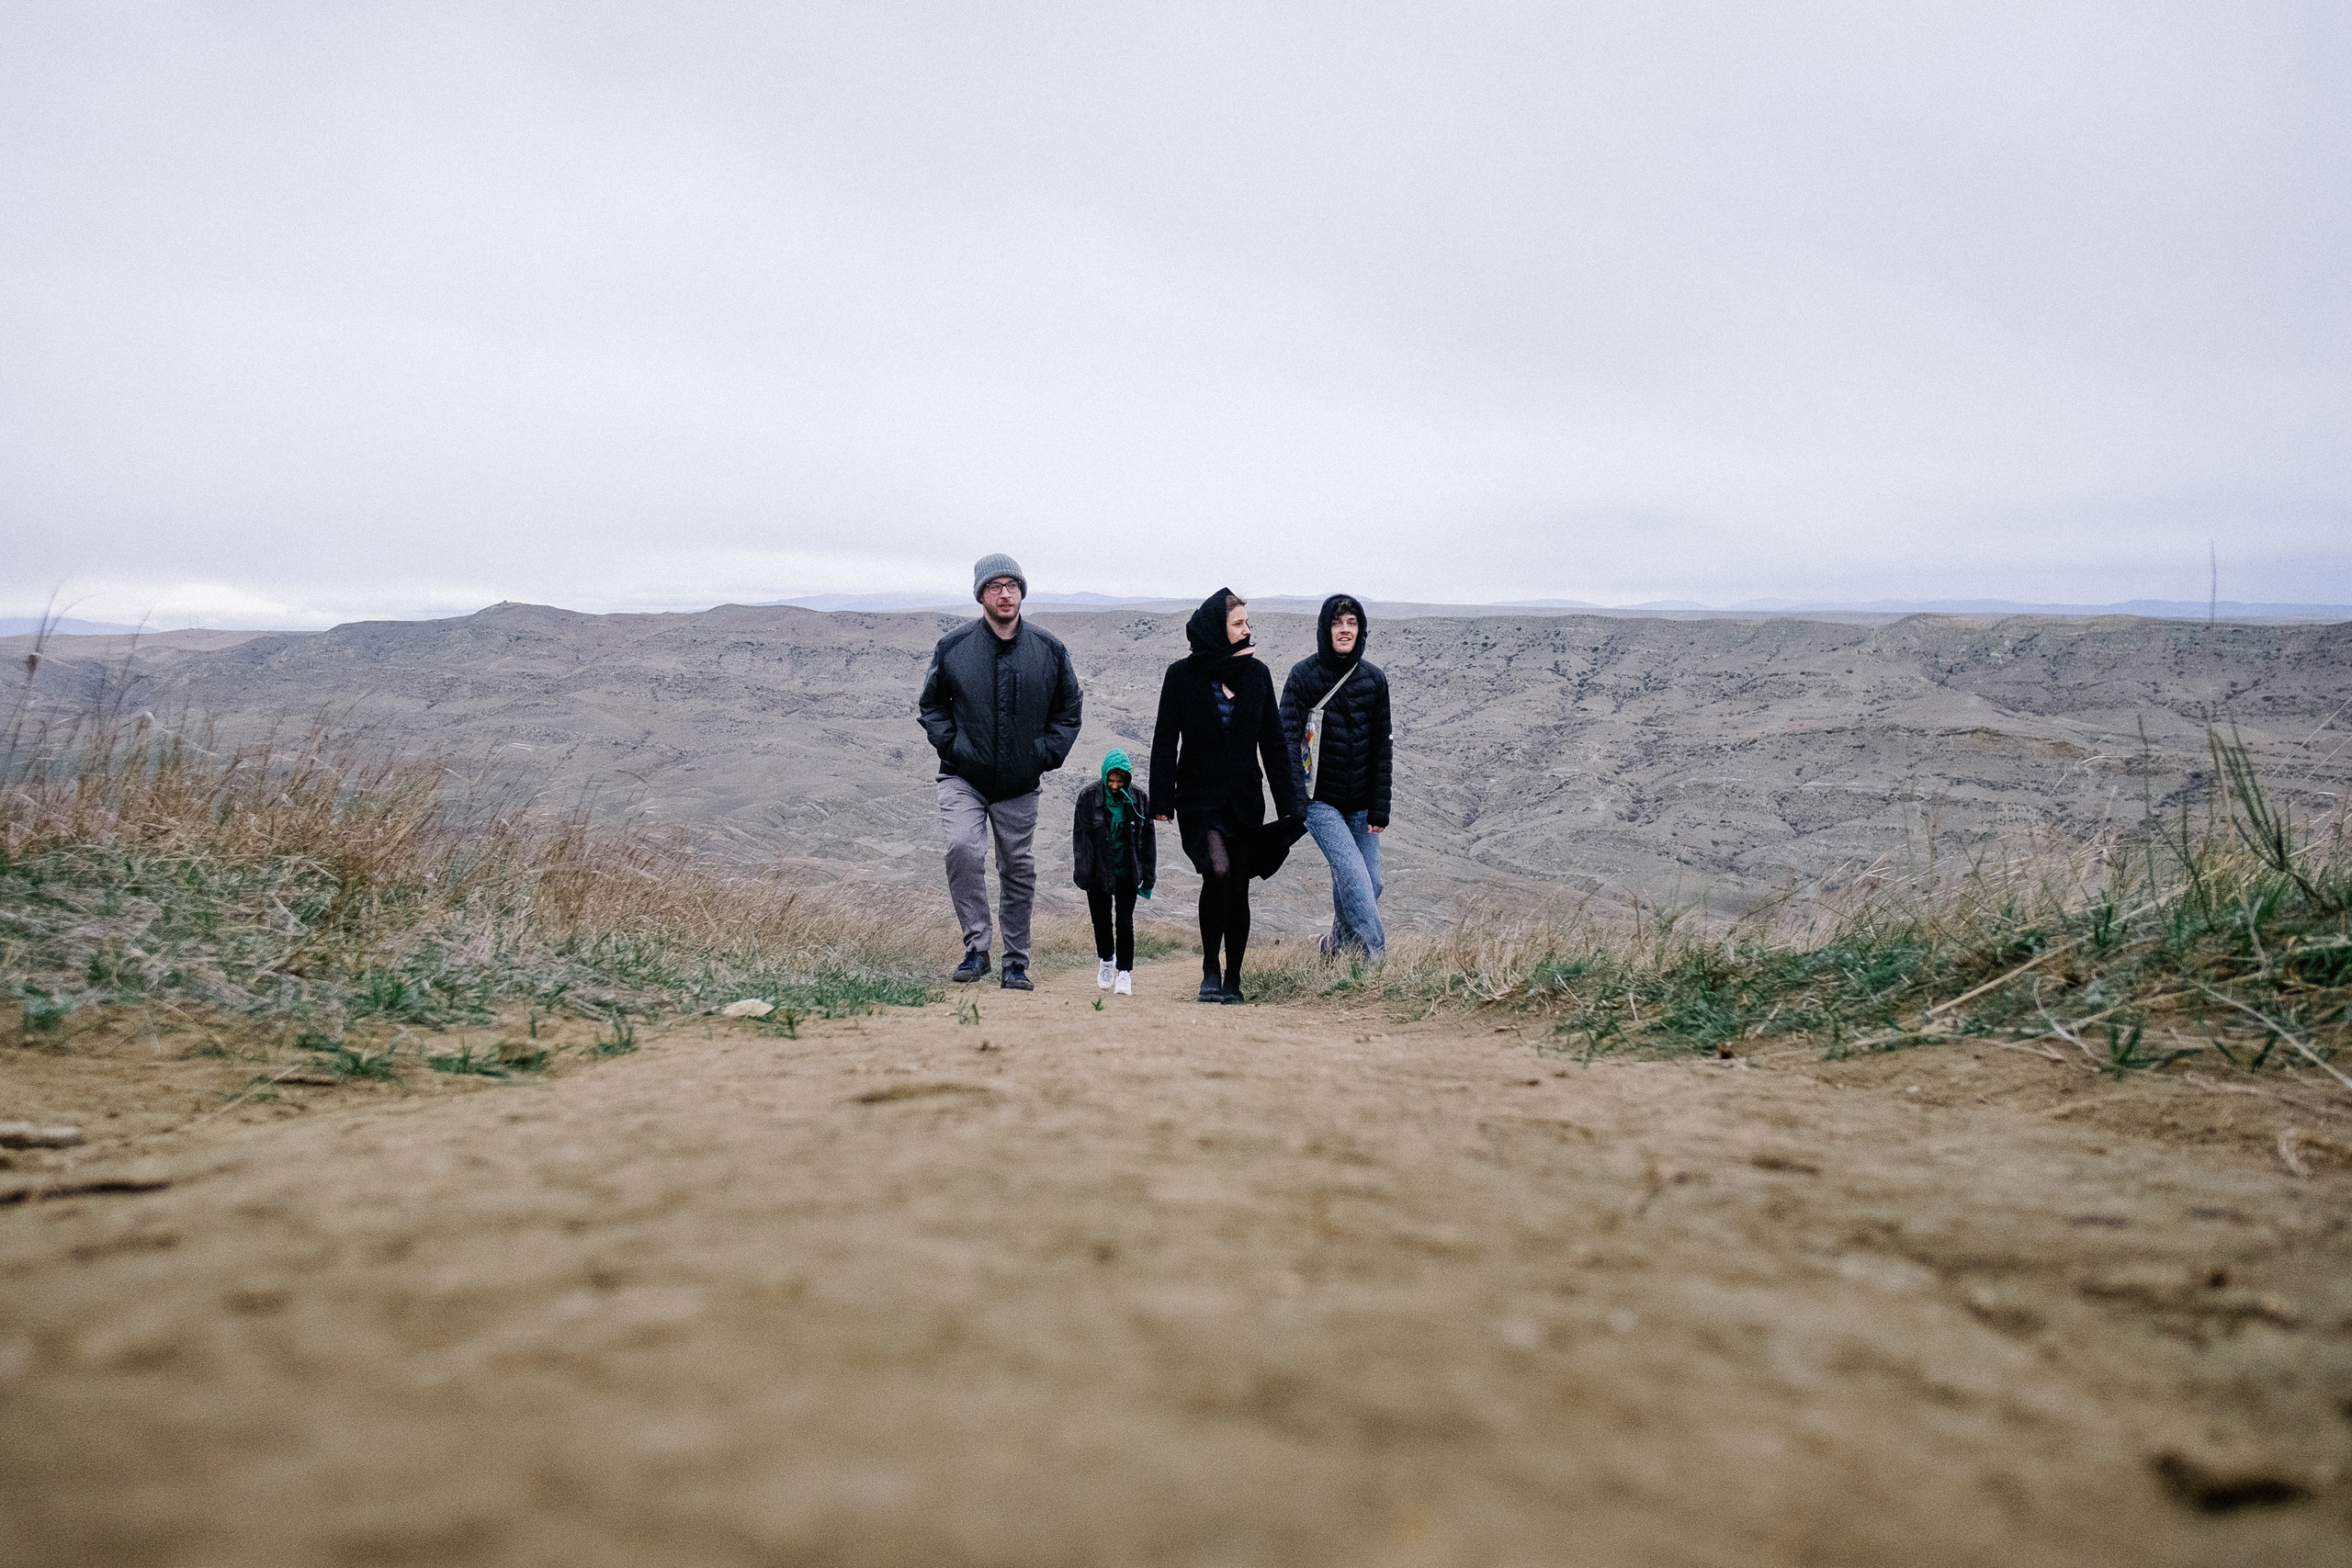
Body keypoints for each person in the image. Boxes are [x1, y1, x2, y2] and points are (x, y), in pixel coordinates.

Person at [917, 553, 1084, 990]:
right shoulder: (953, 648)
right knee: (962, 850)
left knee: (1017, 869)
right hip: (962, 776)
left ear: (1022, 592)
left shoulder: (1048, 650)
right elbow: (931, 706)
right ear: (981, 595)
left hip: (1019, 783)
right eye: (996, 586)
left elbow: (1069, 711)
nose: (1005, 593)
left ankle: (1016, 962)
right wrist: (954, 746)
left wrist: (1043, 754)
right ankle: (976, 948)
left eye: (1013, 585)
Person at [1148, 589, 1305, 1004]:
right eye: (1238, 624)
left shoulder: (1258, 675)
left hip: (1244, 802)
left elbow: (1273, 743)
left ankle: (1233, 978)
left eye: (1247, 623)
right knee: (1216, 870)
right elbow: (1166, 741)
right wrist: (1161, 800)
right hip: (1199, 801)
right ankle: (1209, 970)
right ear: (1218, 629)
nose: (1246, 630)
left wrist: (1291, 806)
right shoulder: (1180, 676)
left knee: (1238, 886)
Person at [1279, 593, 1394, 963]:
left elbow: (1382, 747)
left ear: (1360, 630)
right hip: (1320, 800)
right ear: (1325, 629)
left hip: (1361, 804)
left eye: (1352, 623)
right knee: (1355, 879)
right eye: (1337, 623)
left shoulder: (1375, 680)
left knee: (1371, 883)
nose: (1345, 630)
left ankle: (1333, 946)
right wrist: (1298, 800)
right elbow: (1286, 740)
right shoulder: (1303, 676)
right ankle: (1376, 962)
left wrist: (1379, 808)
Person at [1071, 748, 1156, 996]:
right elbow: (1080, 838)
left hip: (1127, 871)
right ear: (1104, 776)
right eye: (1111, 780)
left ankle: (1125, 973)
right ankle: (1106, 961)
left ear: (1127, 780)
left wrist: (1148, 877)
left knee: (1125, 922)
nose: (1116, 785)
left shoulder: (1139, 799)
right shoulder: (1088, 798)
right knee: (1101, 921)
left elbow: (1148, 840)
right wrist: (1083, 874)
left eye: (1120, 781)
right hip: (1098, 872)